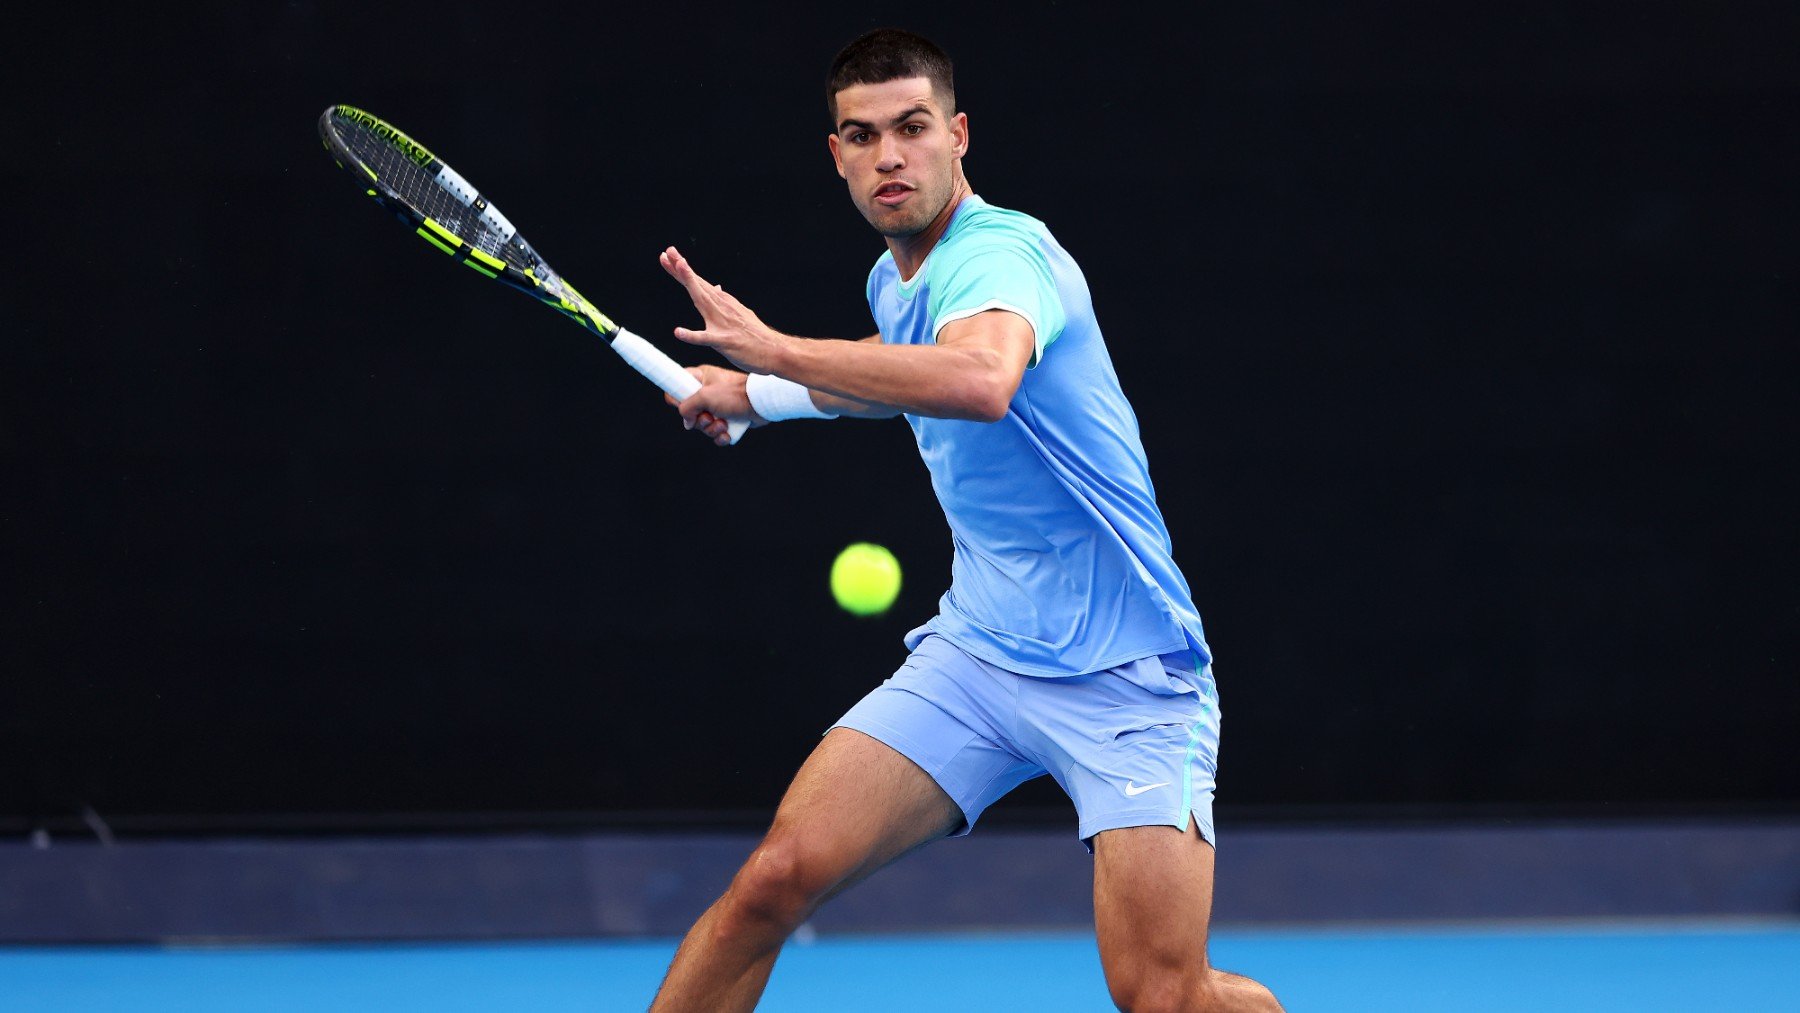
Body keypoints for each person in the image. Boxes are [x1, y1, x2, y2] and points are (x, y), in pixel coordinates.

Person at [648, 28, 1282, 1013]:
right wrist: (756, 394)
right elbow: (902, 380)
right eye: (862, 136)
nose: (889, 156)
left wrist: (777, 348)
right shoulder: (893, 279)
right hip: (980, 653)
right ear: (837, 156)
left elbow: (980, 379)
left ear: (959, 135)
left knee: (1162, 992)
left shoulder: (1004, 252)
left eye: (911, 127)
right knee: (771, 883)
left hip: (1129, 672)